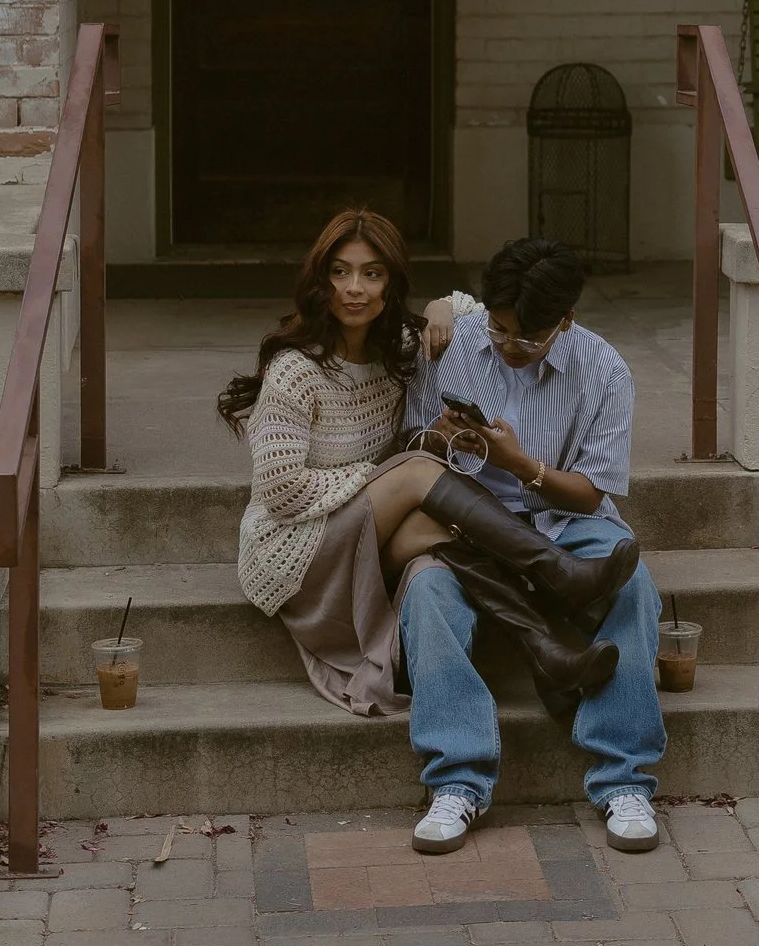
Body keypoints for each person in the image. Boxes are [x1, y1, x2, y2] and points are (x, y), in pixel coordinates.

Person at [219, 210, 634, 718]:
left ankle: (546, 652)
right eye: (340, 272)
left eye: (372, 274)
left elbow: (475, 310)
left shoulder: (400, 352)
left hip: (365, 539)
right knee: (417, 473)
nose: (355, 288)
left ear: (391, 284)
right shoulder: (294, 371)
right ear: (318, 280)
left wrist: (442, 311)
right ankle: (559, 573)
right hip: (295, 549)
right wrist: (392, 475)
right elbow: (282, 492)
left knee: (437, 517)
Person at [398, 238, 667, 858]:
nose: (508, 347)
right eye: (499, 329)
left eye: (527, 339)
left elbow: (590, 491)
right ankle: (457, 780)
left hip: (566, 520)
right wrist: (439, 440)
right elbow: (410, 444)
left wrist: (524, 466)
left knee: (632, 583)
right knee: (428, 590)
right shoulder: (456, 342)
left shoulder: (604, 369)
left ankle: (623, 778)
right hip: (468, 520)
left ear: (565, 321)